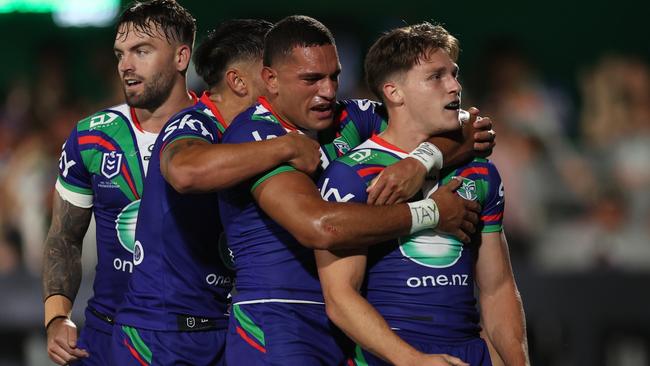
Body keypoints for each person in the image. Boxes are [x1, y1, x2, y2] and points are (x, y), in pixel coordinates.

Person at [218, 15, 494, 365]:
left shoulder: (346, 117)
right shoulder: (255, 134)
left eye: (334, 76)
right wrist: (431, 213)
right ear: (270, 79)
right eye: (312, 79)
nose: (329, 91)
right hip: (276, 323)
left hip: (343, 327)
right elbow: (321, 228)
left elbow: (469, 128)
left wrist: (421, 160)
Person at [110, 18, 322, 365]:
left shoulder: (259, 132)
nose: (280, 84)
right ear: (238, 81)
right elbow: (185, 171)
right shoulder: (195, 122)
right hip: (162, 337)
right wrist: (285, 148)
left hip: (220, 328)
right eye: (271, 74)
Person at [316, 22, 529, 366]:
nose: (455, 86)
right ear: (394, 92)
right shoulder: (352, 174)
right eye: (435, 77)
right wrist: (414, 361)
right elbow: (340, 299)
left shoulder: (480, 171)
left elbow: (497, 288)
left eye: (454, 74)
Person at [41, 1, 200, 364]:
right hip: (108, 338)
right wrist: (57, 316)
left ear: (181, 57)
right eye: (120, 54)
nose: (125, 65)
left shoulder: (222, 132)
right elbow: (63, 238)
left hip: (200, 337)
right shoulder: (91, 138)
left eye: (142, 52)